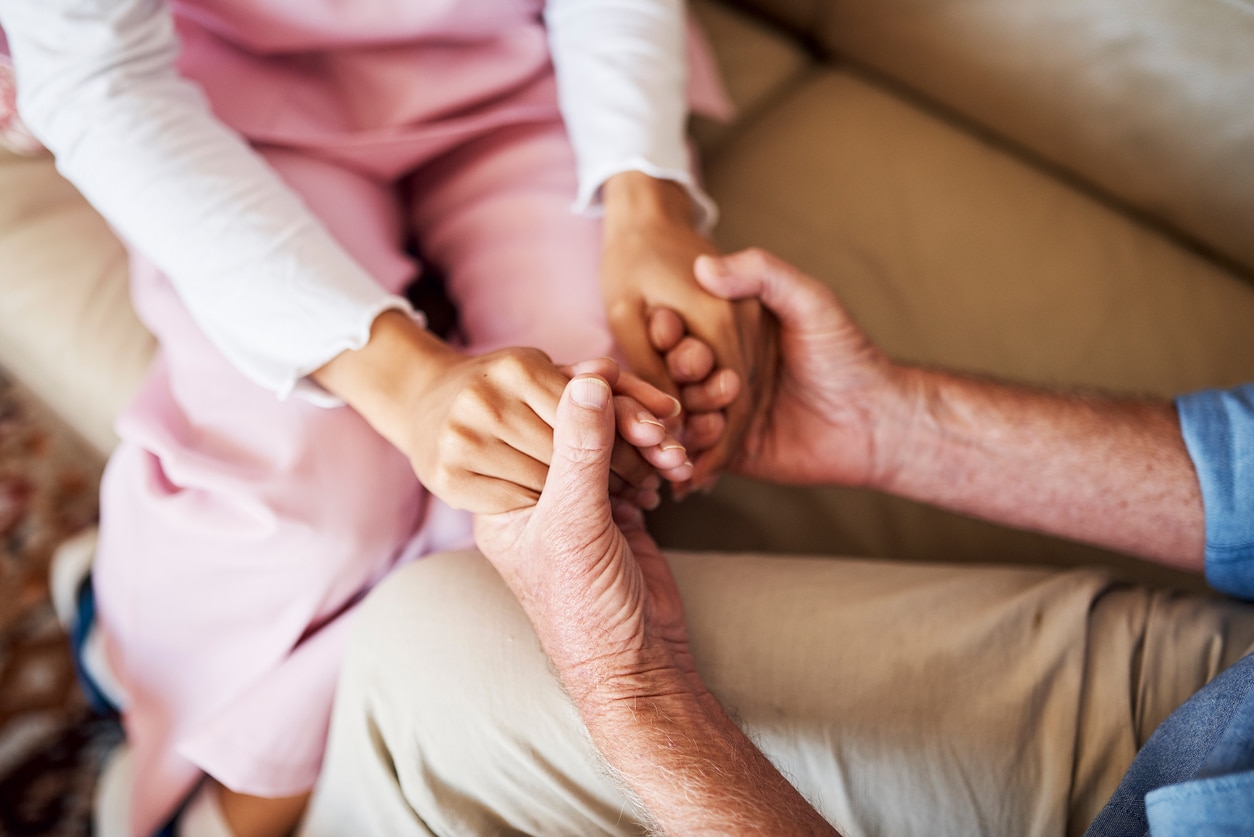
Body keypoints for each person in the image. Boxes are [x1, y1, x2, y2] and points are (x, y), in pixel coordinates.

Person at [0, 1, 765, 834]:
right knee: (300, 505)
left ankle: (242, 798)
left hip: (534, 67)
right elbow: (100, 76)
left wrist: (646, 204)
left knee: (579, 455)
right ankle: (129, 648)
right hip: (211, 94)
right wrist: (406, 383)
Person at [302, 248, 1254, 835]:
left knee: (431, 659)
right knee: (445, 645)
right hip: (1220, 697)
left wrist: (632, 685)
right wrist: (893, 424)